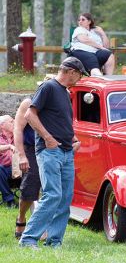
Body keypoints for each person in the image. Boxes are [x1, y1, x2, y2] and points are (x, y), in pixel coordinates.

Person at [19, 57, 87, 249]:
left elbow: (60, 121)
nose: (79, 79)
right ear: (71, 71)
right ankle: (28, 239)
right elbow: (29, 115)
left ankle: (54, 242)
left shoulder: (65, 92)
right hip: (50, 152)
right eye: (79, 75)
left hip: (66, 152)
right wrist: (47, 138)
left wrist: (74, 140)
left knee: (65, 198)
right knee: (53, 195)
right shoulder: (48, 87)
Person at [13, 98, 41, 238]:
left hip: (53, 149)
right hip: (31, 149)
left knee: (51, 190)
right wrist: (22, 155)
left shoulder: (61, 100)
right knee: (30, 186)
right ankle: (21, 217)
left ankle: (41, 226)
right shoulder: (28, 102)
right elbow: (17, 128)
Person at [0, 115, 16, 208]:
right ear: (2, 125)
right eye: (11, 121)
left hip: (21, 167)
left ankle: (31, 199)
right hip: (5, 170)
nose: (14, 122)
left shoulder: (18, 135)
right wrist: (9, 146)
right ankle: (10, 200)